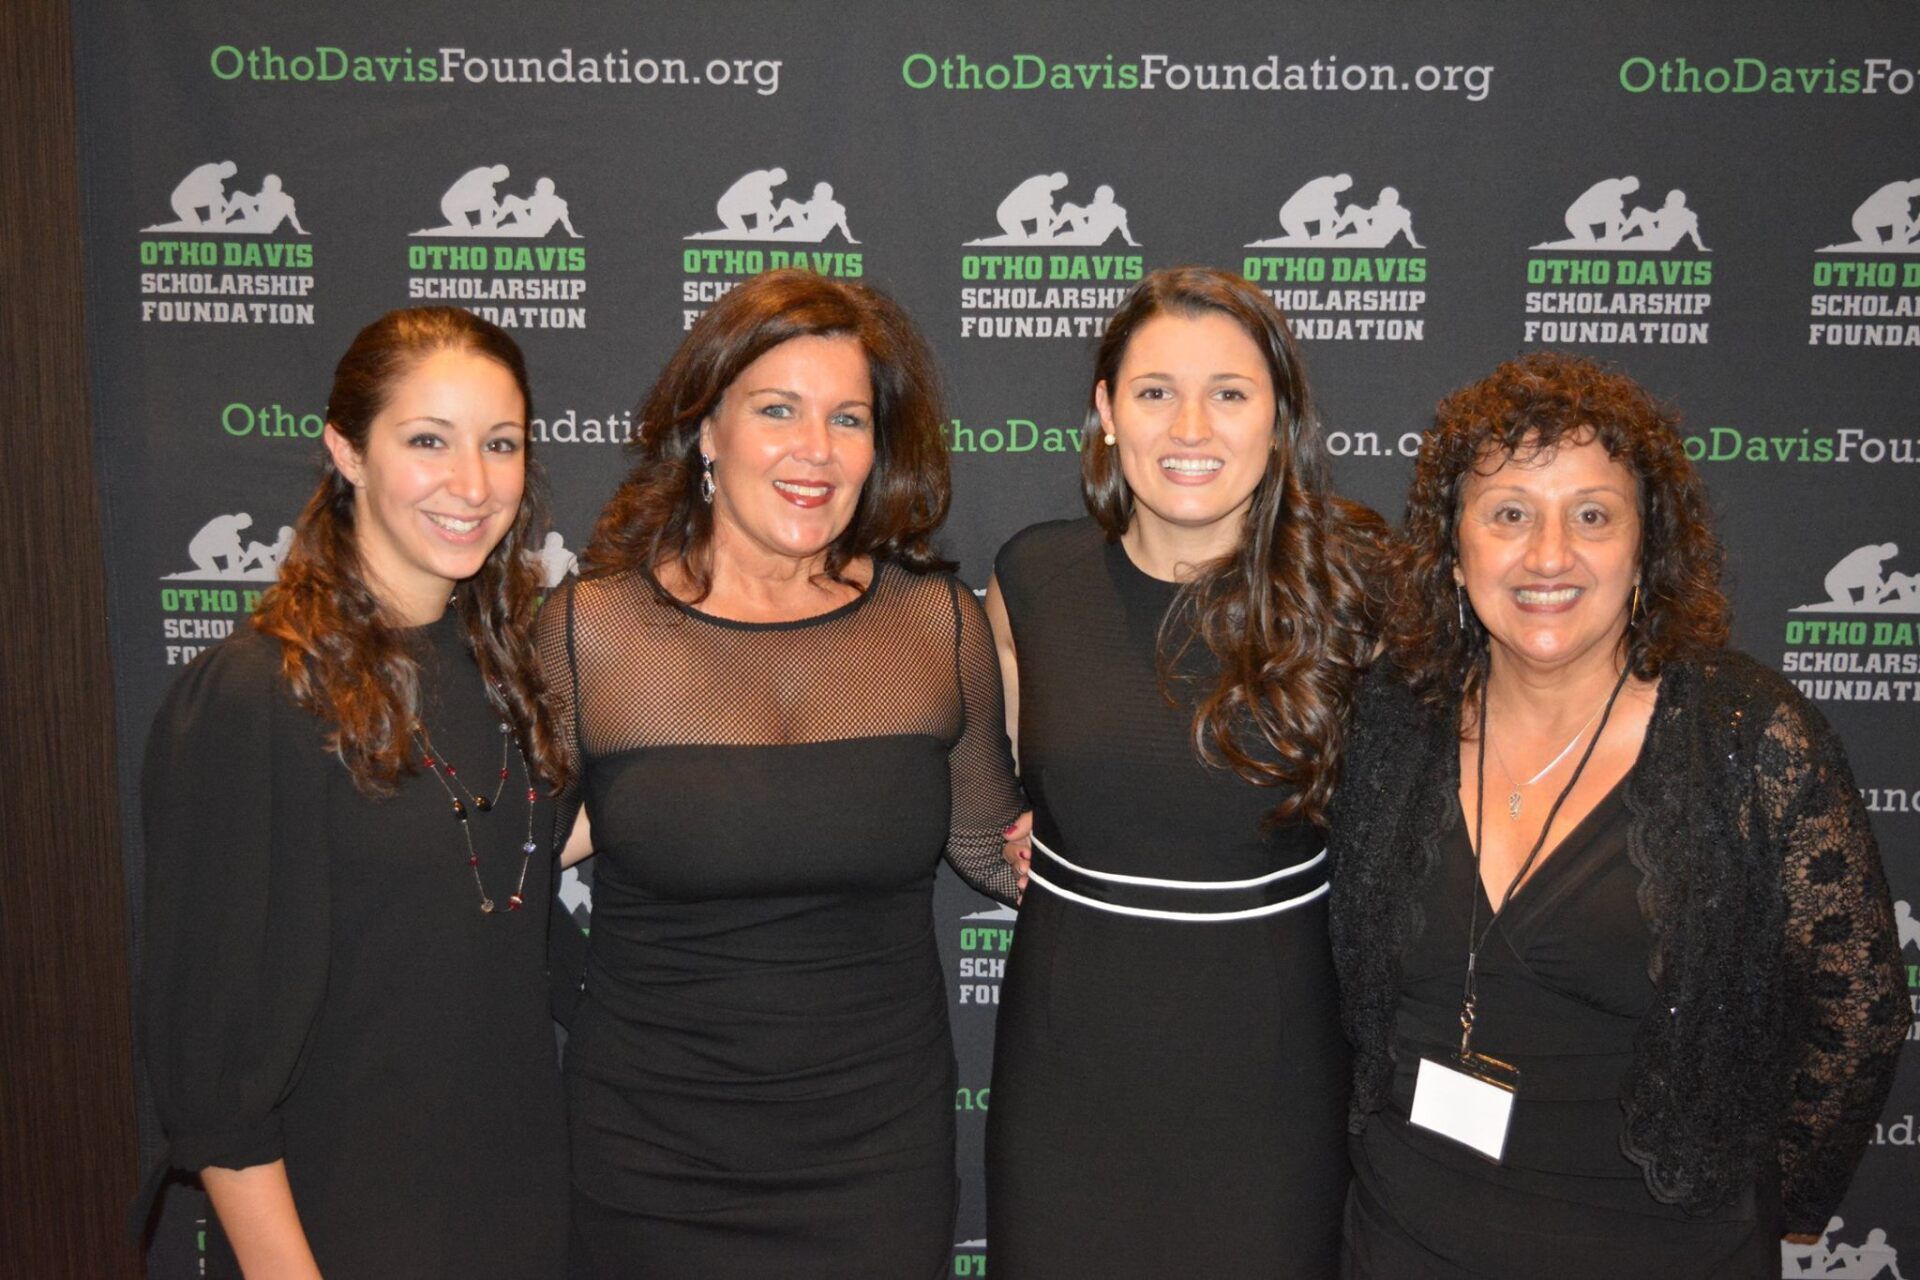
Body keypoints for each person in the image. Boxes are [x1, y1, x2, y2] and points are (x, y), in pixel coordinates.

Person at [1329, 352, 1907, 1279]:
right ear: (1454, 550)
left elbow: (1859, 1008)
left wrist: (1781, 1204)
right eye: (1509, 513)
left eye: (1592, 515)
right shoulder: (1392, 720)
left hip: (1663, 1250)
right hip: (1404, 1236)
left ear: (1646, 548)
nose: (1548, 554)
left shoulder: (1747, 734)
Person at [540, 268, 1022, 1278]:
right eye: (777, 410)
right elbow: (499, 869)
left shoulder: (933, 626)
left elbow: (992, 851)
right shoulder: (596, 631)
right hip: (648, 1155)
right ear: (705, 429)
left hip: (875, 1157)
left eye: (848, 418)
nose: (817, 449)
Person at [135, 307, 571, 1279]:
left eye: (500, 443)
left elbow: (502, 841)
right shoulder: (258, 696)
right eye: (429, 441)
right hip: (347, 1223)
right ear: (347, 451)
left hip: (519, 1210)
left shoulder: (506, 668)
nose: (473, 483)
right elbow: (215, 1062)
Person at [984, 266, 1383, 1278]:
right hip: (1066, 1066)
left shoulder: (1358, 590)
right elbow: (994, 784)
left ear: (1278, 419)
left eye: (1230, 393)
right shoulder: (1031, 579)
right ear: (1106, 410)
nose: (1190, 426)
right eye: (1156, 390)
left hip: (1276, 1074)